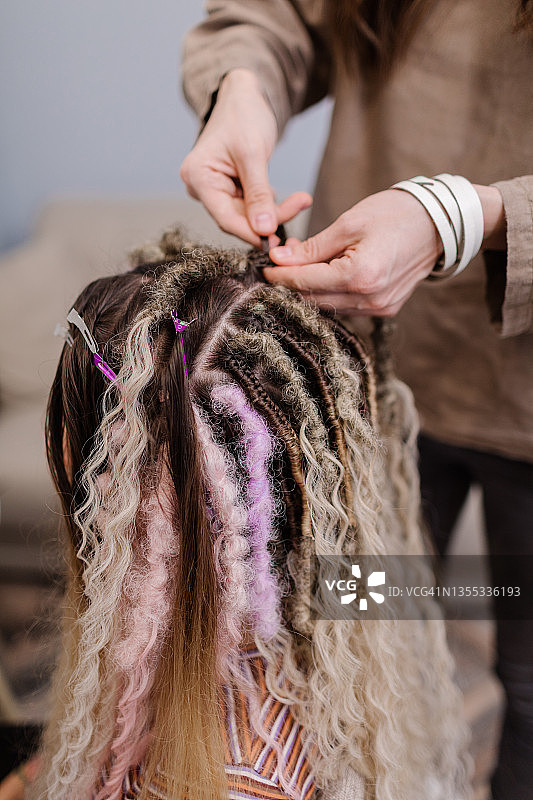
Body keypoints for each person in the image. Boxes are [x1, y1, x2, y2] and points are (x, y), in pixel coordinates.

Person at [179, 2, 533, 798]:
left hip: (521, 402)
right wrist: (241, 86)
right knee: (358, 634)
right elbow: (276, 20)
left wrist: (467, 215)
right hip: (366, 392)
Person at [0, 229, 470, 800]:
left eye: (85, 431)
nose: (67, 452)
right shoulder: (324, 597)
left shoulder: (231, 778)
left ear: (137, 507)